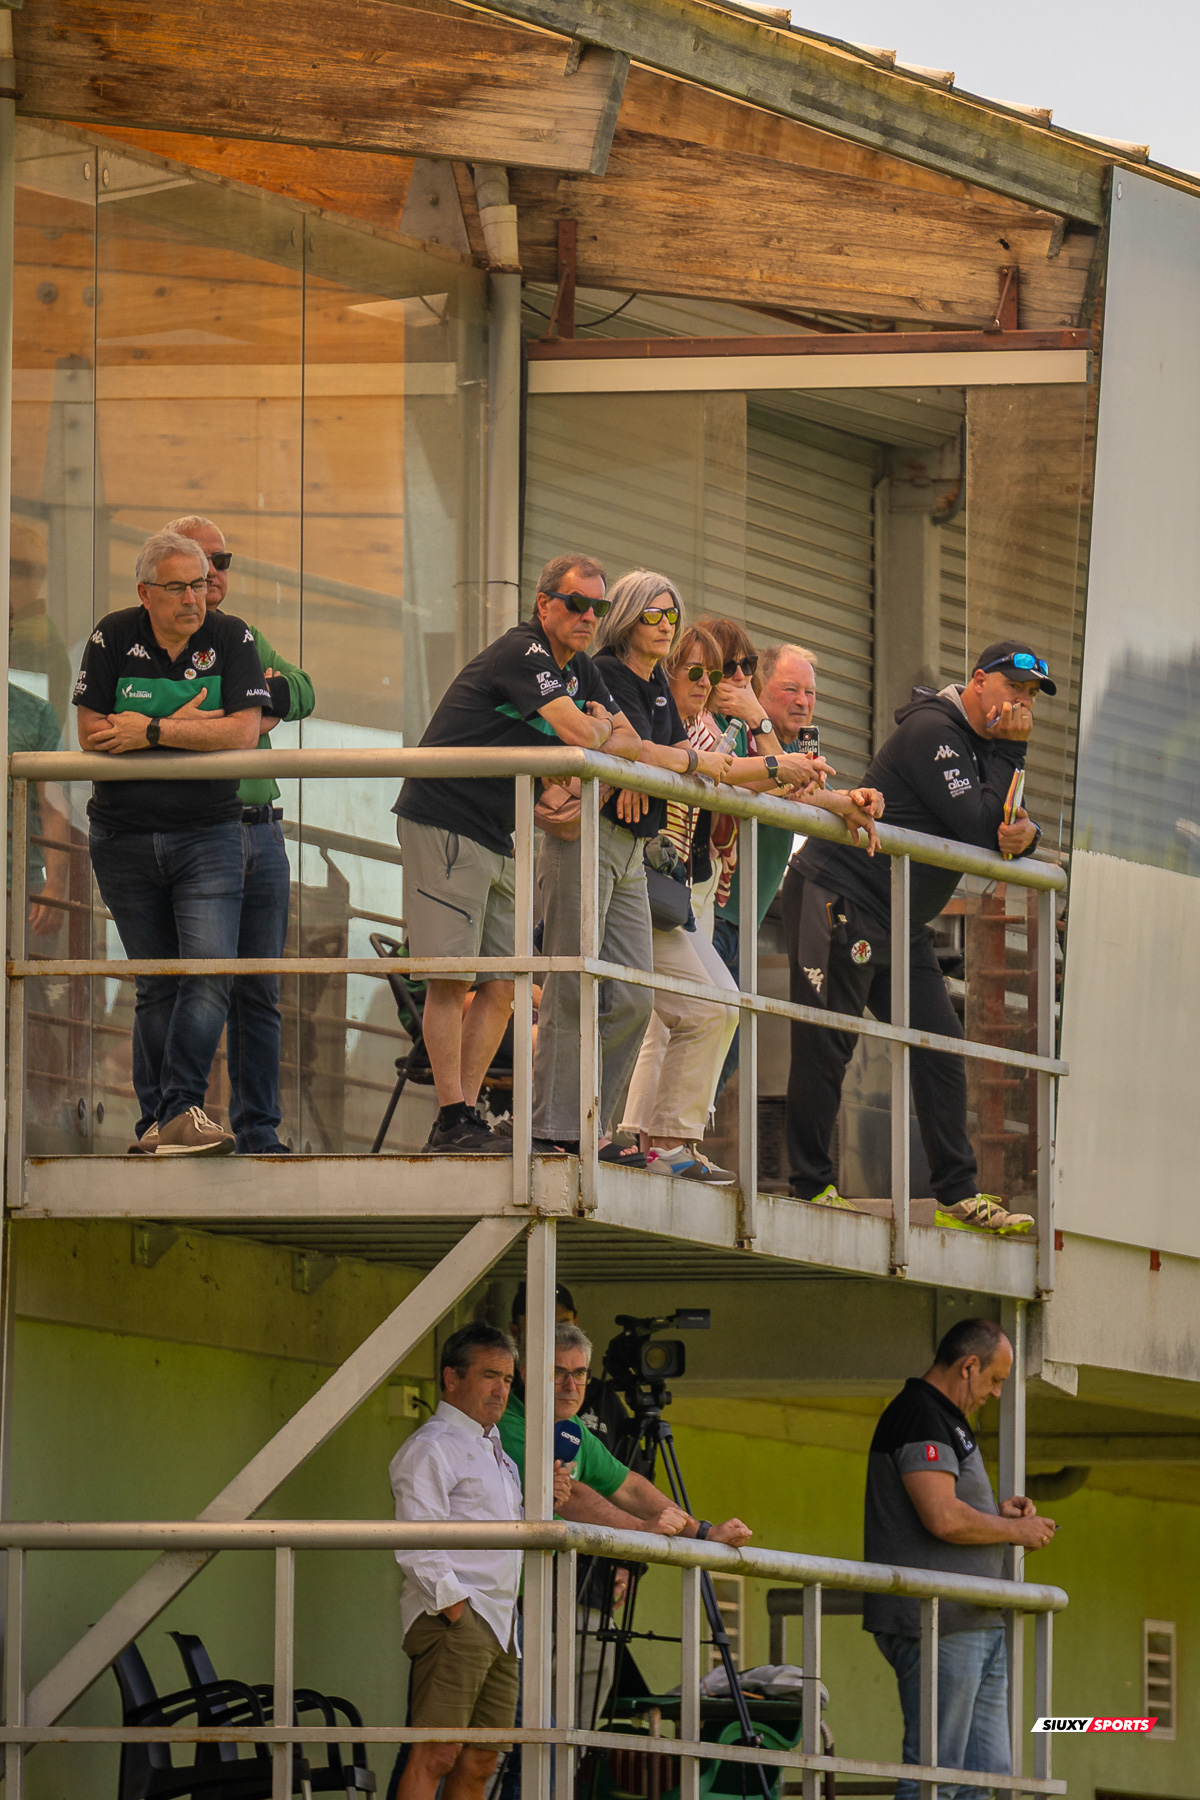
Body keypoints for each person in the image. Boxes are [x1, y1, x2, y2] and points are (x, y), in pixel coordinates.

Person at [782, 642, 1052, 1231]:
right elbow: (981, 828)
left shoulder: (987, 748)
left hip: (900, 919)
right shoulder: (936, 730)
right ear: (979, 681)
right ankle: (810, 1186)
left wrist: (1025, 838)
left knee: (940, 1045)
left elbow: (1007, 824)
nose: (1022, 704)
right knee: (829, 1040)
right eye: (1014, 688)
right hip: (841, 895)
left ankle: (957, 1195)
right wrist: (1011, 758)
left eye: (1031, 696)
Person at [393, 553, 640, 1154]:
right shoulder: (522, 651)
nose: (586, 617)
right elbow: (587, 737)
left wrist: (598, 733)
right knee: (451, 981)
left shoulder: (581, 667)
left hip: (496, 832)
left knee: (503, 985)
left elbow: (630, 740)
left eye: (596, 608)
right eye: (575, 603)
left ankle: (464, 1119)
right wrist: (595, 731)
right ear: (543, 604)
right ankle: (452, 1117)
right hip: (444, 821)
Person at [613, 609, 851, 1176]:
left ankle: (660, 1141)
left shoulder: (718, 729)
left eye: (737, 668)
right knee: (670, 1017)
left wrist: (839, 798)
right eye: (721, 671)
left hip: (699, 896)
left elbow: (779, 785)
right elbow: (733, 770)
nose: (725, 680)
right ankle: (646, 1140)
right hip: (688, 895)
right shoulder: (712, 727)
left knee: (702, 1015)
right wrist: (763, 734)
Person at [73, 530, 269, 1155]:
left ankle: (180, 1107)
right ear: (145, 593)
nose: (195, 597)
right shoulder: (111, 633)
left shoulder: (232, 635)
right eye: (179, 586)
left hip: (209, 833)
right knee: (156, 982)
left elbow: (242, 733)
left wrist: (153, 729)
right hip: (122, 837)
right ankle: (159, 1124)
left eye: (200, 582)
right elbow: (90, 732)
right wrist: (196, 724)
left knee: (209, 972)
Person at [167, 515, 315, 1156]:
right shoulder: (149, 638)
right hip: (200, 834)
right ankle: (175, 1118)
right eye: (204, 564)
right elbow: (159, 713)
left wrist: (249, 707)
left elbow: (306, 689)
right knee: (197, 981)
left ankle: (259, 1129)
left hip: (263, 832)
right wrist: (238, 709)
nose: (216, 575)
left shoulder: (241, 634)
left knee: (261, 988)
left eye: (224, 561)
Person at [865, 1317, 1056, 1799]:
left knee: (986, 1776)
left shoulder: (944, 1418)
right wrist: (1013, 1530)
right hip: (939, 1624)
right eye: (995, 1380)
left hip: (971, 1620)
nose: (995, 1394)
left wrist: (995, 1515)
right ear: (969, 1366)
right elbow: (943, 1518)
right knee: (938, 1774)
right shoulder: (921, 1414)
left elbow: (950, 1511)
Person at [389, 1323, 525, 1800]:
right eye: (490, 1375)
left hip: (501, 1622)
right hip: (458, 1618)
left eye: (507, 1379)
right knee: (437, 1753)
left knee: (482, 1760)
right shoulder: (431, 1446)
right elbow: (416, 1541)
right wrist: (456, 1611)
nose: (501, 1389)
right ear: (452, 1378)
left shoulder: (496, 1450)